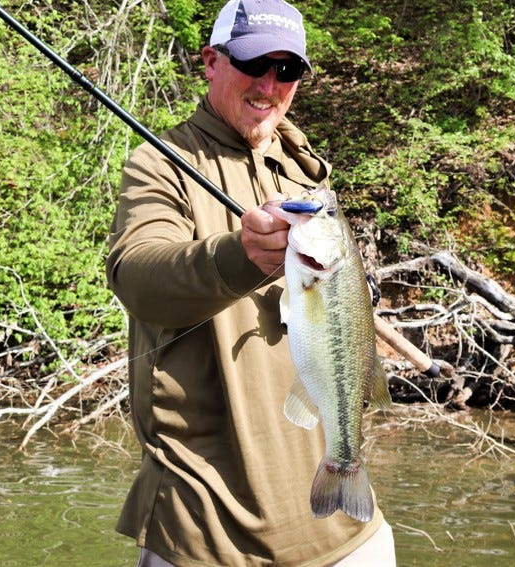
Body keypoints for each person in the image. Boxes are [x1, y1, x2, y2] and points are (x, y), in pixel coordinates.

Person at [106, 0, 396, 565]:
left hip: (344, 530)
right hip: (209, 529)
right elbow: (137, 275)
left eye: (287, 70)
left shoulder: (304, 172)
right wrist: (238, 255)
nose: (270, 83)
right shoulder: (161, 164)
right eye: (254, 62)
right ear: (211, 61)